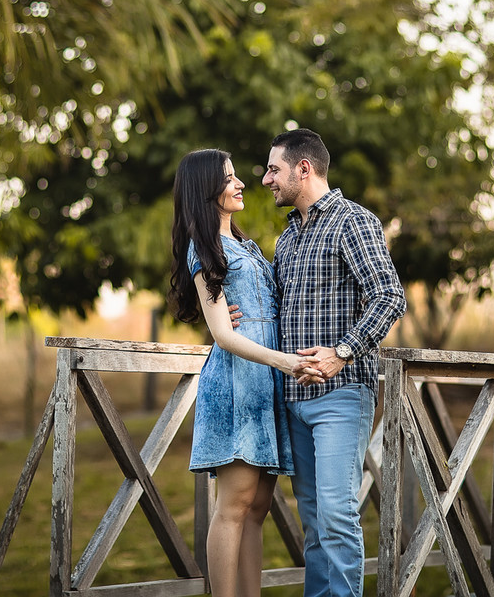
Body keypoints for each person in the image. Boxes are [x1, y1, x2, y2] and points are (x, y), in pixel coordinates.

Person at [262, 127, 407, 597]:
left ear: (303, 169)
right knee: (313, 522)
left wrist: (342, 352)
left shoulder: (353, 221)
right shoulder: (287, 239)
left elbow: (389, 297)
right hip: (294, 399)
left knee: (336, 514)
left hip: (341, 396)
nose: (266, 180)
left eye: (274, 170)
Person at [169, 148, 318, 597]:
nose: (239, 184)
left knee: (258, 508)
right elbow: (223, 335)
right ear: (205, 190)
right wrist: (288, 362)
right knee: (232, 507)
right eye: (229, 179)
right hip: (237, 382)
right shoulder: (205, 248)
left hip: (266, 385)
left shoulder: (246, 245)